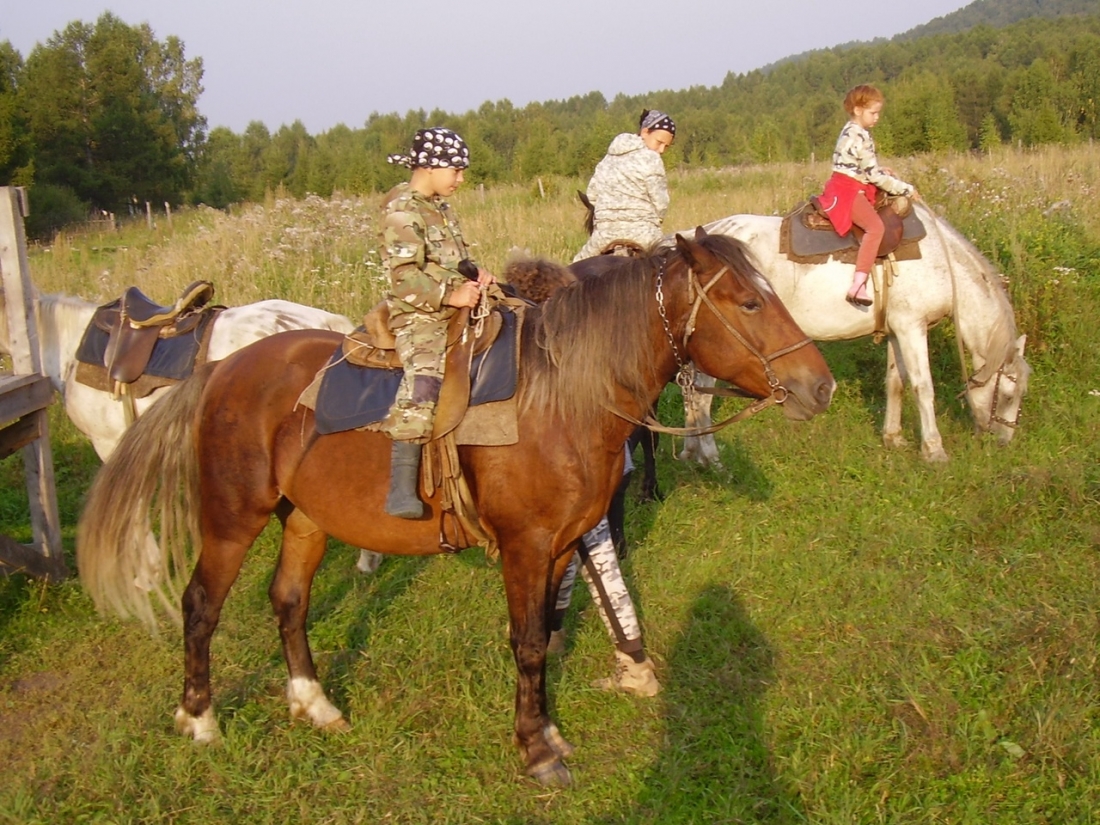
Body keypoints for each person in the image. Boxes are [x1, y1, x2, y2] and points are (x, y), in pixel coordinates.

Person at [378, 127, 495, 519]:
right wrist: (450, 295)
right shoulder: (402, 210)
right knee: (425, 377)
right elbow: (403, 277)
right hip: (419, 313)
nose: (461, 179)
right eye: (456, 170)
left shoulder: (440, 206)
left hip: (456, 304)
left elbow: (453, 259)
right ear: (429, 167)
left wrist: (477, 274)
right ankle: (400, 486)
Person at [818, 84, 918, 306]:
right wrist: (906, 189)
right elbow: (874, 177)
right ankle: (858, 283)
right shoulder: (860, 136)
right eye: (873, 112)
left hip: (845, 183)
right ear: (857, 110)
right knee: (875, 228)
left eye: (878, 112)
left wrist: (880, 170)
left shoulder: (850, 130)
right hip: (848, 190)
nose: (877, 117)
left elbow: (857, 166)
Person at [573, 109, 676, 262]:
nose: (661, 150)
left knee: (573, 271)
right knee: (676, 263)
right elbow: (660, 203)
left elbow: (592, 196)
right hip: (645, 235)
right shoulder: (651, 158)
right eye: (659, 143)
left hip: (603, 237)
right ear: (645, 132)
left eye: (666, 146)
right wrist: (656, 220)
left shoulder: (607, 159)